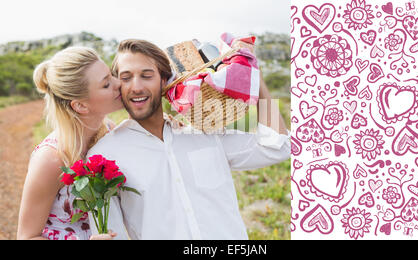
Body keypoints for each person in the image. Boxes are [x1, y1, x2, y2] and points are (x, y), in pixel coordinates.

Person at [87, 39, 290, 239]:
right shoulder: (104, 156)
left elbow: (277, 147)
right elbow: (111, 233)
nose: (136, 87)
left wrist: (254, 74)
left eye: (147, 75)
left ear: (164, 81)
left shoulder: (206, 133)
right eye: (126, 77)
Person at [17, 47, 124, 240]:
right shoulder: (51, 158)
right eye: (107, 84)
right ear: (81, 105)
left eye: (112, 76)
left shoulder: (109, 131)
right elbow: (26, 237)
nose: (119, 83)